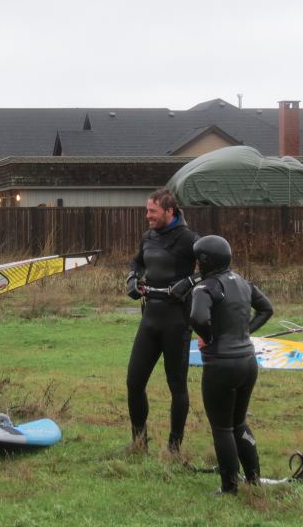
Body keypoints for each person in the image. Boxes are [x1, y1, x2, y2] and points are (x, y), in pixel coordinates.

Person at [188, 235, 273, 494]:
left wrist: (209, 338)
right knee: (238, 422)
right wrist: (243, 332)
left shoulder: (205, 288)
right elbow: (266, 309)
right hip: (248, 363)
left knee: (222, 427)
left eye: (197, 260)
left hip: (221, 366)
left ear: (205, 261)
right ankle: (254, 478)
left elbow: (197, 317)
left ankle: (229, 487)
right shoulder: (244, 283)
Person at [125, 189, 198, 454]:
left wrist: (189, 282)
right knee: (134, 382)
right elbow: (137, 262)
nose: (147, 216)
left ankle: (175, 447)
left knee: (176, 385)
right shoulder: (148, 237)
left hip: (177, 321)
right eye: (147, 211)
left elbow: (216, 270)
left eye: (152, 212)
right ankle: (139, 442)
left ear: (169, 211)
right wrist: (132, 279)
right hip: (150, 318)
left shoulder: (189, 239)